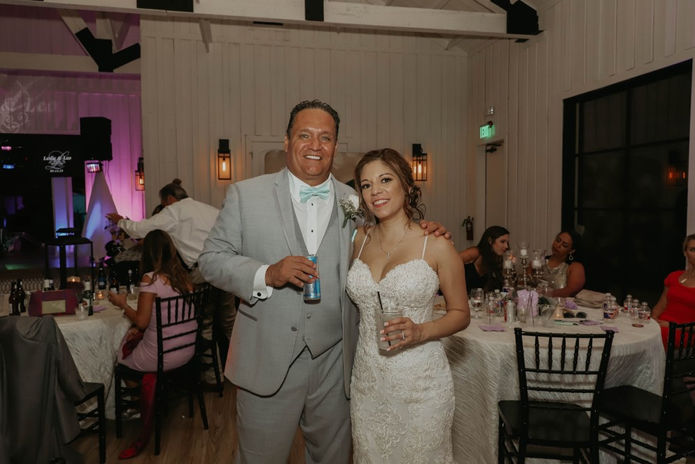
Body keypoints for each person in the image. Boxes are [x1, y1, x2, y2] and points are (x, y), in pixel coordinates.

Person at [198, 99, 449, 463]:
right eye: (305, 135)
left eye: (325, 137)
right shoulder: (245, 195)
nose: (315, 145)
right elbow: (210, 260)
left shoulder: (356, 201)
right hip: (267, 361)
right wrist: (267, 273)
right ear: (287, 141)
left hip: (336, 363)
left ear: (335, 146)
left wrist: (425, 230)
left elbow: (390, 237)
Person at [347, 148, 470, 463]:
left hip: (421, 384)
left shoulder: (436, 244)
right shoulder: (357, 240)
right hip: (368, 381)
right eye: (366, 185)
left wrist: (421, 331)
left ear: (406, 185)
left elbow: (461, 314)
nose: (376, 191)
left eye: (385, 180)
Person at [106, 179, 236, 368]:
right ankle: (239, 371)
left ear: (169, 199)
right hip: (226, 267)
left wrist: (120, 221)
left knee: (205, 325)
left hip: (203, 272)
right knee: (229, 323)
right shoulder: (209, 210)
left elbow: (141, 229)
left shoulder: (174, 211)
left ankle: (209, 376)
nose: (164, 208)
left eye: (164, 204)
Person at [108, 229, 195, 460]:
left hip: (162, 356)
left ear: (147, 253)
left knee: (121, 354)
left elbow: (142, 321)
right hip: (186, 351)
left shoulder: (150, 279)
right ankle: (152, 397)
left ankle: (140, 404)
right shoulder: (184, 278)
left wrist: (122, 304)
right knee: (135, 336)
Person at [651, 234, 695, 348]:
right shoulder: (674, 276)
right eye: (692, 250)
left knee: (652, 337)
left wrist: (672, 326)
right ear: (685, 253)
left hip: (684, 332)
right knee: (638, 327)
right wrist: (653, 320)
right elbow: (660, 306)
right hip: (662, 326)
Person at [459, 225, 510, 292]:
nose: (506, 246)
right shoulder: (475, 252)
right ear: (490, 241)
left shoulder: (496, 259)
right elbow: (450, 262)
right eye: (502, 242)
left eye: (507, 242)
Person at [541, 230, 585, 297]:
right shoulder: (539, 262)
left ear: (571, 251)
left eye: (564, 245)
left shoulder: (575, 267)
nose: (558, 245)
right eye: (558, 240)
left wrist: (546, 294)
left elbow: (571, 291)